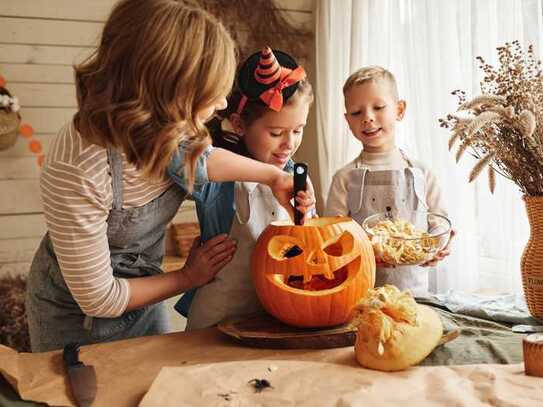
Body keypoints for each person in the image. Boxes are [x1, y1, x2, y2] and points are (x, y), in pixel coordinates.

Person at [25, 1, 307, 352]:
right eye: (212, 93)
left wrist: (273, 177)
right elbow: (101, 299)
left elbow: (202, 161)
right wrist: (188, 278)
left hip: (146, 298)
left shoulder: (166, 123)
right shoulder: (79, 169)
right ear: (172, 93)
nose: (221, 104)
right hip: (77, 321)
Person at [171, 47, 315, 330]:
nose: (289, 143)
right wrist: (272, 177)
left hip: (276, 315)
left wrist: (307, 214)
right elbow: (184, 156)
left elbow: (307, 245)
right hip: (218, 319)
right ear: (238, 125)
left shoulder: (293, 174)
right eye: (275, 133)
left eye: (298, 130)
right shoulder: (218, 174)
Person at [325, 66, 453, 296]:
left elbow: (439, 222)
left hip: (416, 296)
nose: (368, 118)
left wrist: (438, 245)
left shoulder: (421, 172)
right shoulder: (344, 178)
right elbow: (333, 237)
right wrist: (363, 251)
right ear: (348, 121)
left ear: (399, 110)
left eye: (378, 107)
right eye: (356, 113)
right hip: (361, 295)